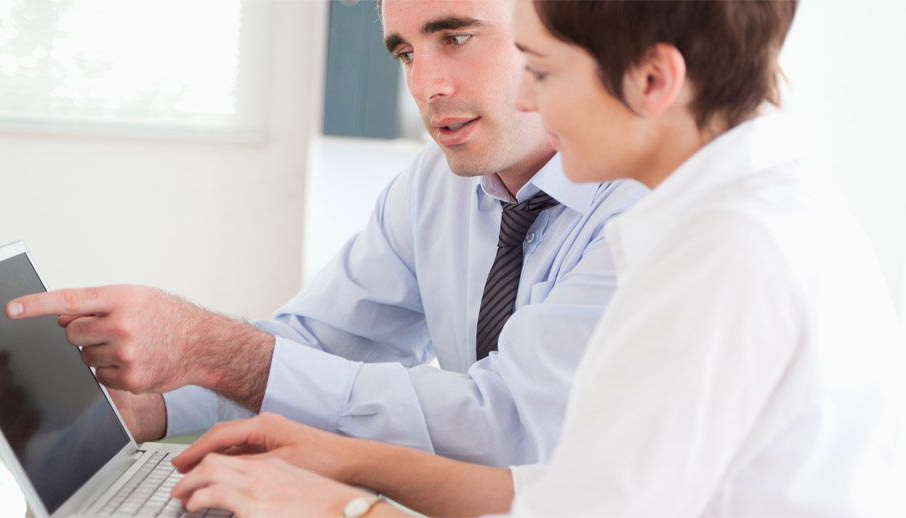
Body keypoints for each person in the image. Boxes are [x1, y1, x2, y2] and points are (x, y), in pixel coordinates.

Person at [165, 0, 903, 516]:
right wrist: (350, 463)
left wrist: (339, 509)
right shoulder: (739, 214)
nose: (537, 107)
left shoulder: (725, 253)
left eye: (544, 73)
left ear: (652, 81)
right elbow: (572, 492)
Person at [6, 0, 645, 467]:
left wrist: (210, 347)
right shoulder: (433, 184)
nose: (426, 86)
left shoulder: (641, 205)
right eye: (404, 52)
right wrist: (156, 405)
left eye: (455, 37)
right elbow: (323, 346)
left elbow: (510, 428)